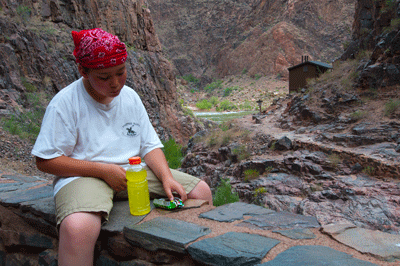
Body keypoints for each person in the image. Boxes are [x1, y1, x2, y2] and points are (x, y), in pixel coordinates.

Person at [31, 28, 213, 266]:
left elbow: (149, 145)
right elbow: (45, 160)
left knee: (201, 192)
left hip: (133, 173)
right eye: (104, 77)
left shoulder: (130, 97)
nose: (116, 83)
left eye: (121, 72)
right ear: (83, 71)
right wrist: (102, 170)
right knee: (78, 228)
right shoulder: (65, 103)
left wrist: (166, 177)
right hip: (84, 176)